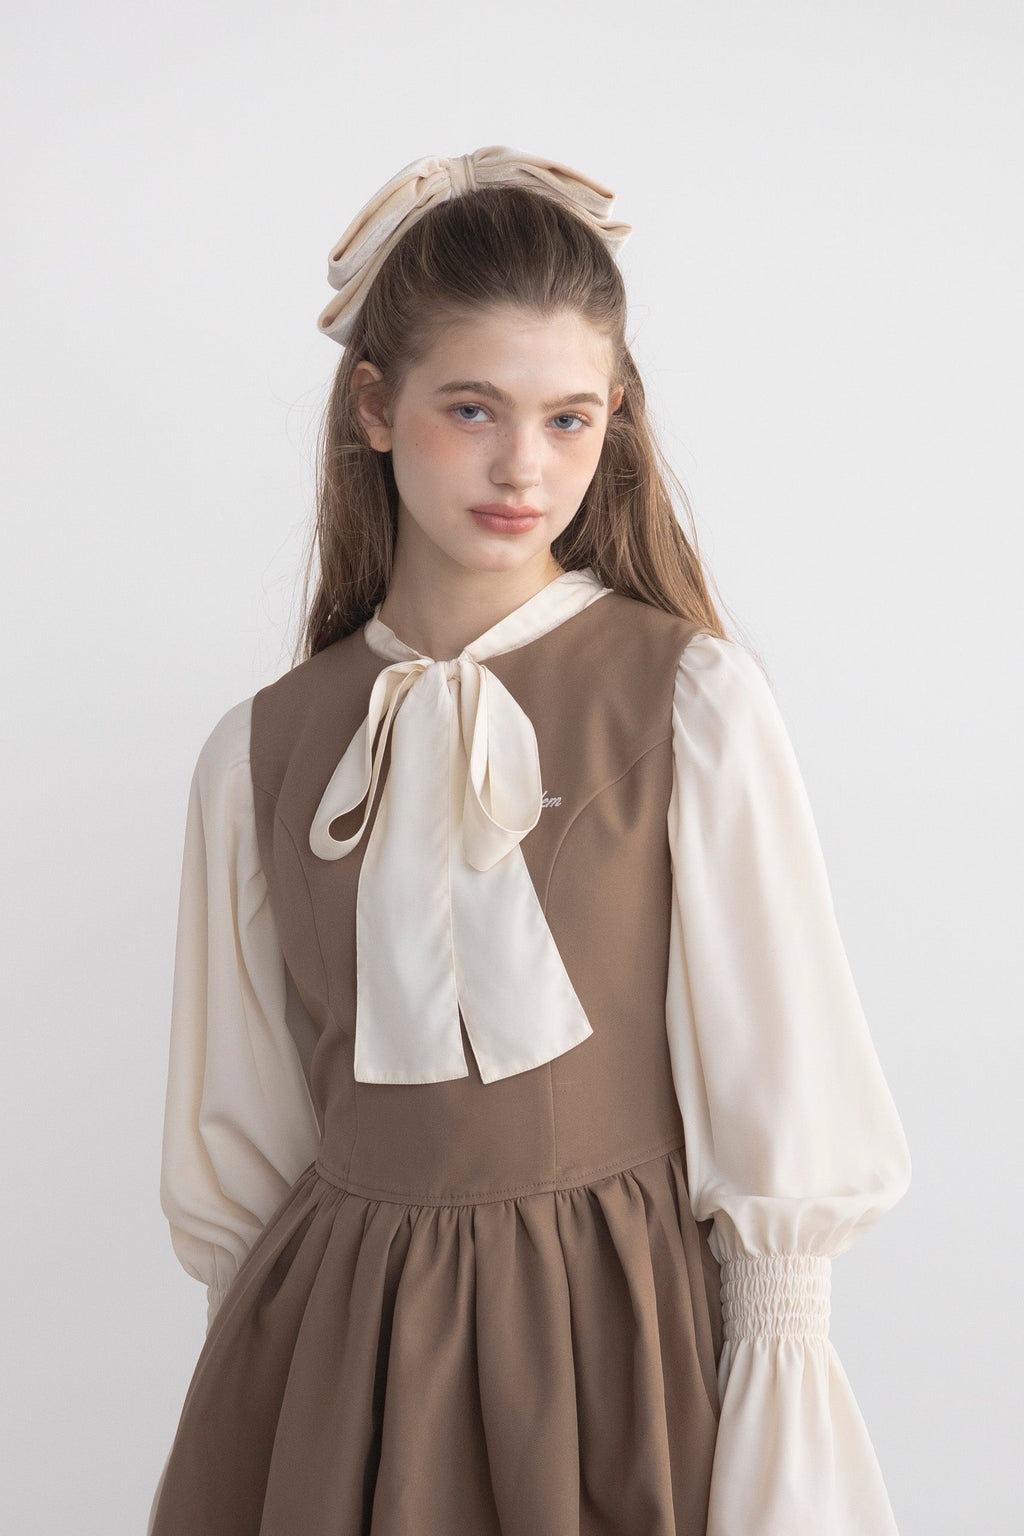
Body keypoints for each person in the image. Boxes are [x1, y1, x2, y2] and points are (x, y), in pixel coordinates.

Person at [147, 146, 912, 1536]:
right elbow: (245, 1151)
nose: (523, 467)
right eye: (472, 409)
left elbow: (778, 1104)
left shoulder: (689, 703)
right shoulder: (258, 753)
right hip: (342, 1364)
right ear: (373, 409)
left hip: (610, 1347)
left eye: (569, 419)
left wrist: (774, 1445)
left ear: (615, 420)